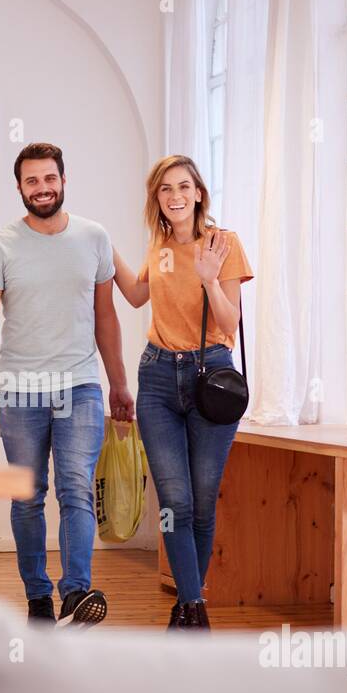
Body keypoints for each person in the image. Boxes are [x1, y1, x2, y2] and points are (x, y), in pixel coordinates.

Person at [0, 142, 133, 628]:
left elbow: (107, 317)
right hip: (20, 391)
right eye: (32, 181)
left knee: (77, 489)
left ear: (64, 180)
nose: (42, 188)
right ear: (19, 188)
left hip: (81, 386)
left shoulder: (94, 238)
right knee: (27, 495)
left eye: (49, 179)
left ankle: (75, 596)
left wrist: (119, 385)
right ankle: (38, 598)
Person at [109, 155, 253, 631]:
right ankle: (194, 606)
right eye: (165, 189)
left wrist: (210, 276)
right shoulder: (160, 246)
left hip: (210, 377)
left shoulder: (223, 244)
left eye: (183, 187)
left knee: (203, 501)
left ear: (197, 192)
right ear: (158, 198)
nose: (174, 196)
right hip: (156, 379)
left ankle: (188, 605)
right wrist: (102, 246)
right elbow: (134, 296)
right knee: (175, 501)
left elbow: (230, 322)